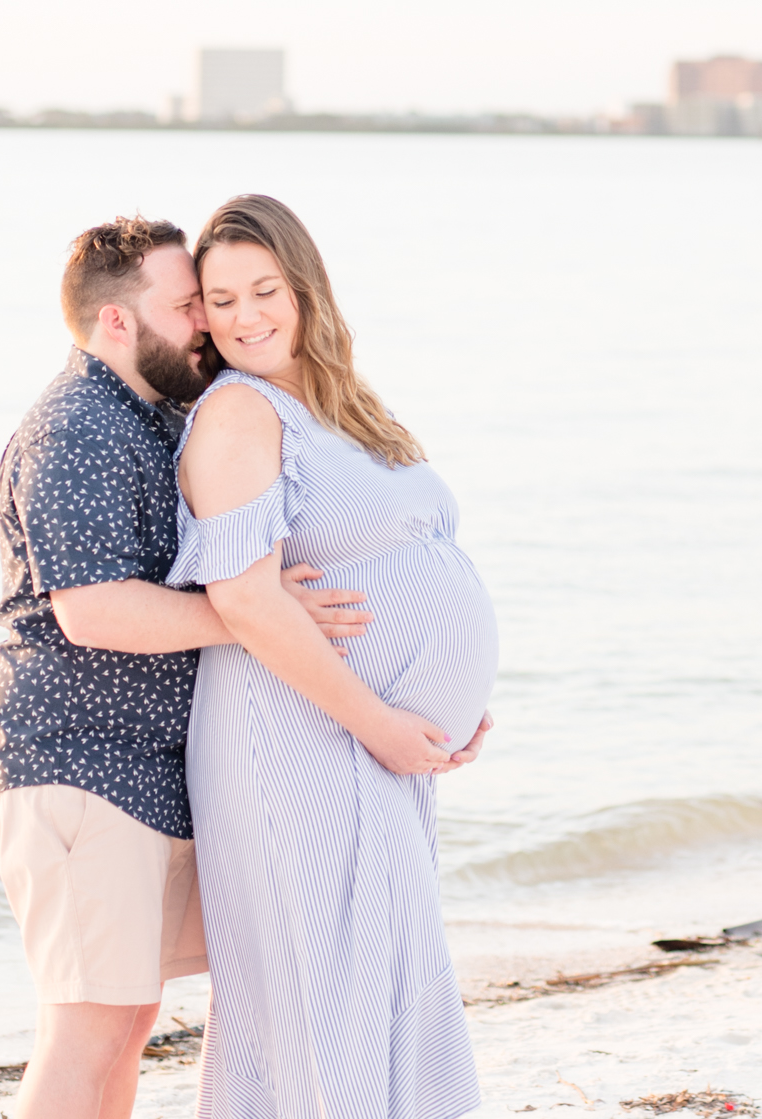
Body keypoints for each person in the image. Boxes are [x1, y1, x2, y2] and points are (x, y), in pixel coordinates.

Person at [0, 217, 474, 1119]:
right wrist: (254, 613)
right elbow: (91, 610)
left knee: (125, 1023)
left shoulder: (152, 416)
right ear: (119, 322)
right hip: (79, 762)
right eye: (190, 306)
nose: (209, 327)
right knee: (90, 1026)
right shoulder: (78, 426)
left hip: (138, 770)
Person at [168, 194, 498, 1119]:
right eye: (221, 301)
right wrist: (386, 722)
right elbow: (244, 599)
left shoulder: (342, 404)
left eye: (264, 290)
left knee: (382, 982)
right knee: (325, 997)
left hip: (372, 744)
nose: (245, 318)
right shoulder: (238, 414)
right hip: (297, 740)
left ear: (305, 288)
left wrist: (448, 706)